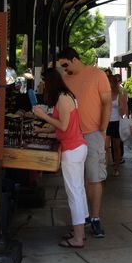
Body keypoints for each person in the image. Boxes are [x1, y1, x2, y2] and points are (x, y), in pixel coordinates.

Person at [57, 47, 111, 238]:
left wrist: (103, 130)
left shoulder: (97, 75)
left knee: (94, 178)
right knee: (75, 182)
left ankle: (95, 218)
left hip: (92, 133)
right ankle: (83, 218)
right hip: (72, 136)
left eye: (64, 64)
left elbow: (106, 103)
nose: (63, 68)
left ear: (74, 59)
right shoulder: (64, 78)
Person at [33, 68, 88, 248]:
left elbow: (63, 126)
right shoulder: (66, 96)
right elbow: (63, 124)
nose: (41, 85)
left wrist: (42, 116)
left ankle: (78, 237)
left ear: (50, 82)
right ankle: (80, 230)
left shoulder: (63, 98)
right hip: (77, 147)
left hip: (72, 149)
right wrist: (42, 129)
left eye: (42, 81)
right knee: (78, 191)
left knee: (74, 193)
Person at [106, 74, 128, 177]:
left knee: (116, 146)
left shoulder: (120, 94)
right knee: (105, 147)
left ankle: (116, 167)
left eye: (109, 81)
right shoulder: (104, 93)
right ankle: (104, 166)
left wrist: (120, 108)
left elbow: (123, 111)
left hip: (116, 122)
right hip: (106, 122)